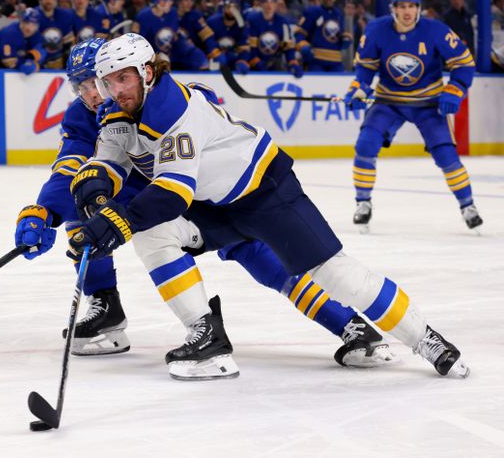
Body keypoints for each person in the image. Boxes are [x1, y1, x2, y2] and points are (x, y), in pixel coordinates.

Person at [66, 32, 469, 380]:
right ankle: (207, 337)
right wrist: (95, 189)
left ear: (147, 72)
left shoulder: (176, 112)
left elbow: (173, 193)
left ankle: (425, 338)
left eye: (123, 78)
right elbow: (111, 158)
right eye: (107, 81)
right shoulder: (118, 111)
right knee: (153, 235)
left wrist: (113, 221)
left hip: (267, 193)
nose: (115, 89)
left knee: (338, 276)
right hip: (216, 205)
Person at [345, 0, 481, 231]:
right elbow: (365, 68)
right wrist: (359, 89)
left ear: (419, 8)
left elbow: (464, 64)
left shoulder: (436, 30)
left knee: (446, 156)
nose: (406, 11)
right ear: (393, 8)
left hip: (427, 104)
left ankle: (468, 205)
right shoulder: (376, 29)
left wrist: (455, 89)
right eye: (402, 6)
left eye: (411, 6)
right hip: (389, 102)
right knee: (365, 144)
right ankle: (362, 203)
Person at [133, 0, 208, 71]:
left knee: (198, 56)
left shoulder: (173, 12)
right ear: (160, 2)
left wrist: (186, 43)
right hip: (152, 56)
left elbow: (176, 34)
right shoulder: (143, 17)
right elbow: (137, 44)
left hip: (172, 52)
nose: (171, 3)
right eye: (168, 0)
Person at [0, 8, 46, 74]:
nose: (29, 28)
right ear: (21, 21)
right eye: (27, 23)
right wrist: (26, 64)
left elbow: (41, 49)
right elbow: (9, 62)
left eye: (34, 25)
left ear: (38, 26)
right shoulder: (10, 34)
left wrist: (32, 59)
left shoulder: (36, 34)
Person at [294, 0, 350, 72]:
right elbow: (299, 33)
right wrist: (303, 46)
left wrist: (345, 39)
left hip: (336, 61)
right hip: (316, 61)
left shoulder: (338, 13)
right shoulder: (312, 12)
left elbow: (341, 33)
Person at [246, 0, 301, 78]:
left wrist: (292, 62)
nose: (269, 5)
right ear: (261, 4)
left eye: (272, 2)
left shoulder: (283, 22)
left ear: (276, 4)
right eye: (266, 2)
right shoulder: (253, 20)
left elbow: (288, 46)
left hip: (275, 62)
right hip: (255, 65)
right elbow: (250, 47)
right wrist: (256, 62)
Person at [174, 0, 226, 68]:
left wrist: (214, 51)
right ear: (178, 1)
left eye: (191, 0)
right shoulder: (169, 15)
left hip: (191, 55)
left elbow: (207, 36)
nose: (189, 3)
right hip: (173, 54)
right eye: (186, 0)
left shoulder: (195, 15)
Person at [34, 0, 76, 69]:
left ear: (55, 0)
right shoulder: (34, 15)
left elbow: (68, 42)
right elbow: (31, 42)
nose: (48, 1)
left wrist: (66, 60)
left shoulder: (65, 15)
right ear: (40, 0)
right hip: (38, 60)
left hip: (59, 60)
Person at [206, 0, 250, 73]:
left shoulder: (242, 24)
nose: (232, 10)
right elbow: (209, 42)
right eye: (228, 7)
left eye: (235, 8)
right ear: (223, 8)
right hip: (215, 57)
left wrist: (242, 60)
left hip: (233, 56)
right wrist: (216, 54)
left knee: (243, 67)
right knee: (216, 64)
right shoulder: (212, 22)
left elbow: (244, 46)